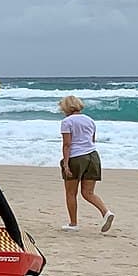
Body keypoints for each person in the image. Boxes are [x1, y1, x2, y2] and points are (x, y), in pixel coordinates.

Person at [58, 95, 114, 233]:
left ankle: (73, 223)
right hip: (93, 157)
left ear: (66, 107)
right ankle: (106, 212)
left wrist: (66, 164)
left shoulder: (67, 122)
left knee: (71, 193)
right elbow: (92, 140)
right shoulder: (90, 120)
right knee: (88, 192)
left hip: (76, 157)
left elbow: (67, 144)